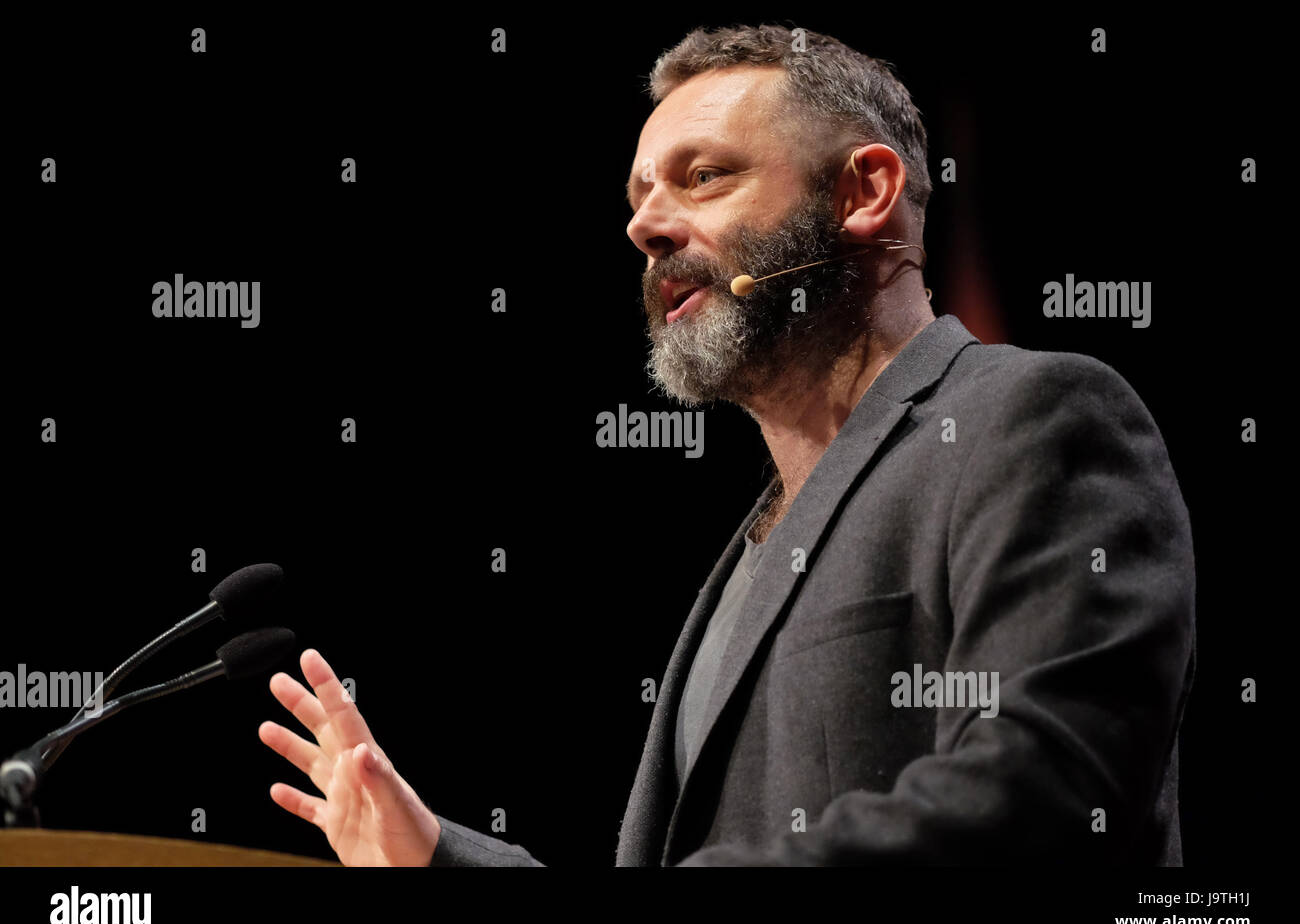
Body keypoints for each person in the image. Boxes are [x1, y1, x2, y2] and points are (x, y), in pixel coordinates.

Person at [259, 24, 1195, 866]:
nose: (644, 225)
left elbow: (1038, 798)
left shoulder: (1035, 416)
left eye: (703, 175)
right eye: (639, 195)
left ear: (867, 191)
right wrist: (436, 860)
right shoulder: (752, 545)